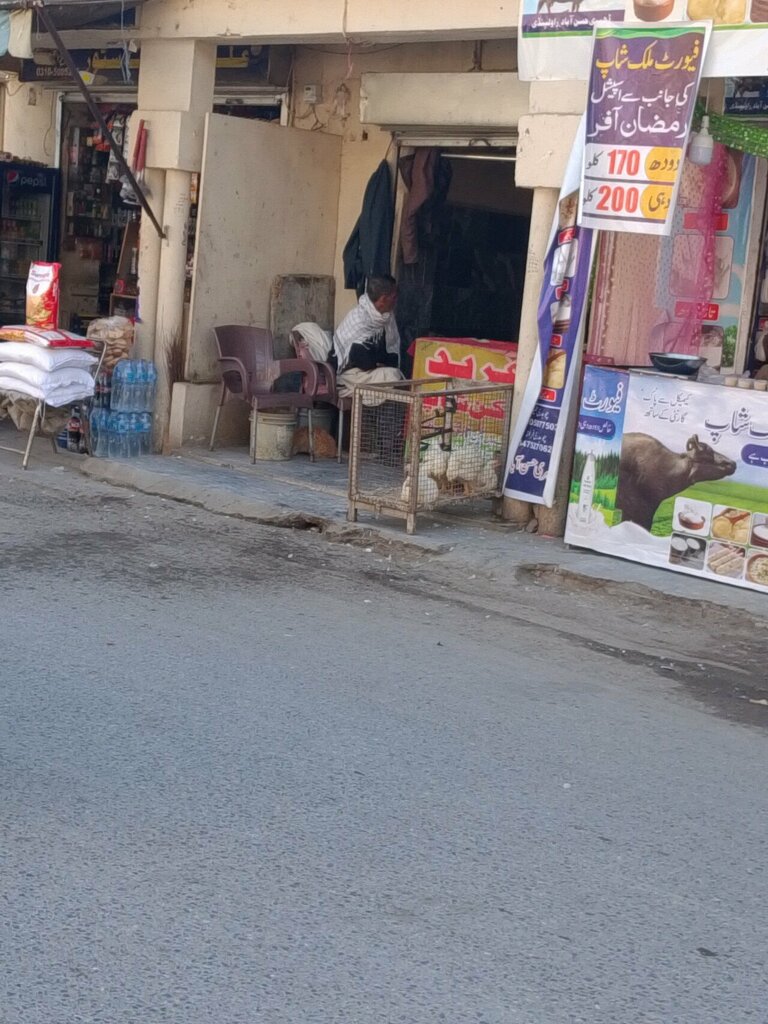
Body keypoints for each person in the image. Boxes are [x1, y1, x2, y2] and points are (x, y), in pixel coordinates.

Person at [333, 275, 404, 401]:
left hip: (370, 370)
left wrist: (380, 361)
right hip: (348, 375)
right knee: (394, 377)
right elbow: (362, 360)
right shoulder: (359, 318)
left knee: (396, 376)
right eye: (394, 297)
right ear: (383, 299)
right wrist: (378, 362)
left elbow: (390, 354)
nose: (396, 301)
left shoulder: (386, 317)